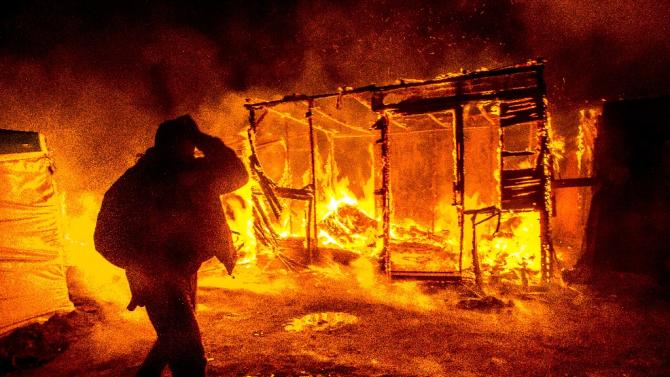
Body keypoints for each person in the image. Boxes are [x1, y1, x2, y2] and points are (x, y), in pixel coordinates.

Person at [94, 115, 248, 377]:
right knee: (189, 357)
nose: (191, 154)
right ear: (168, 149)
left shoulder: (194, 173)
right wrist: (142, 264)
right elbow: (104, 237)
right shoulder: (137, 182)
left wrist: (202, 138)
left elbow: (238, 174)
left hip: (185, 270)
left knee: (171, 340)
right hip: (158, 279)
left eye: (192, 148)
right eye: (187, 147)